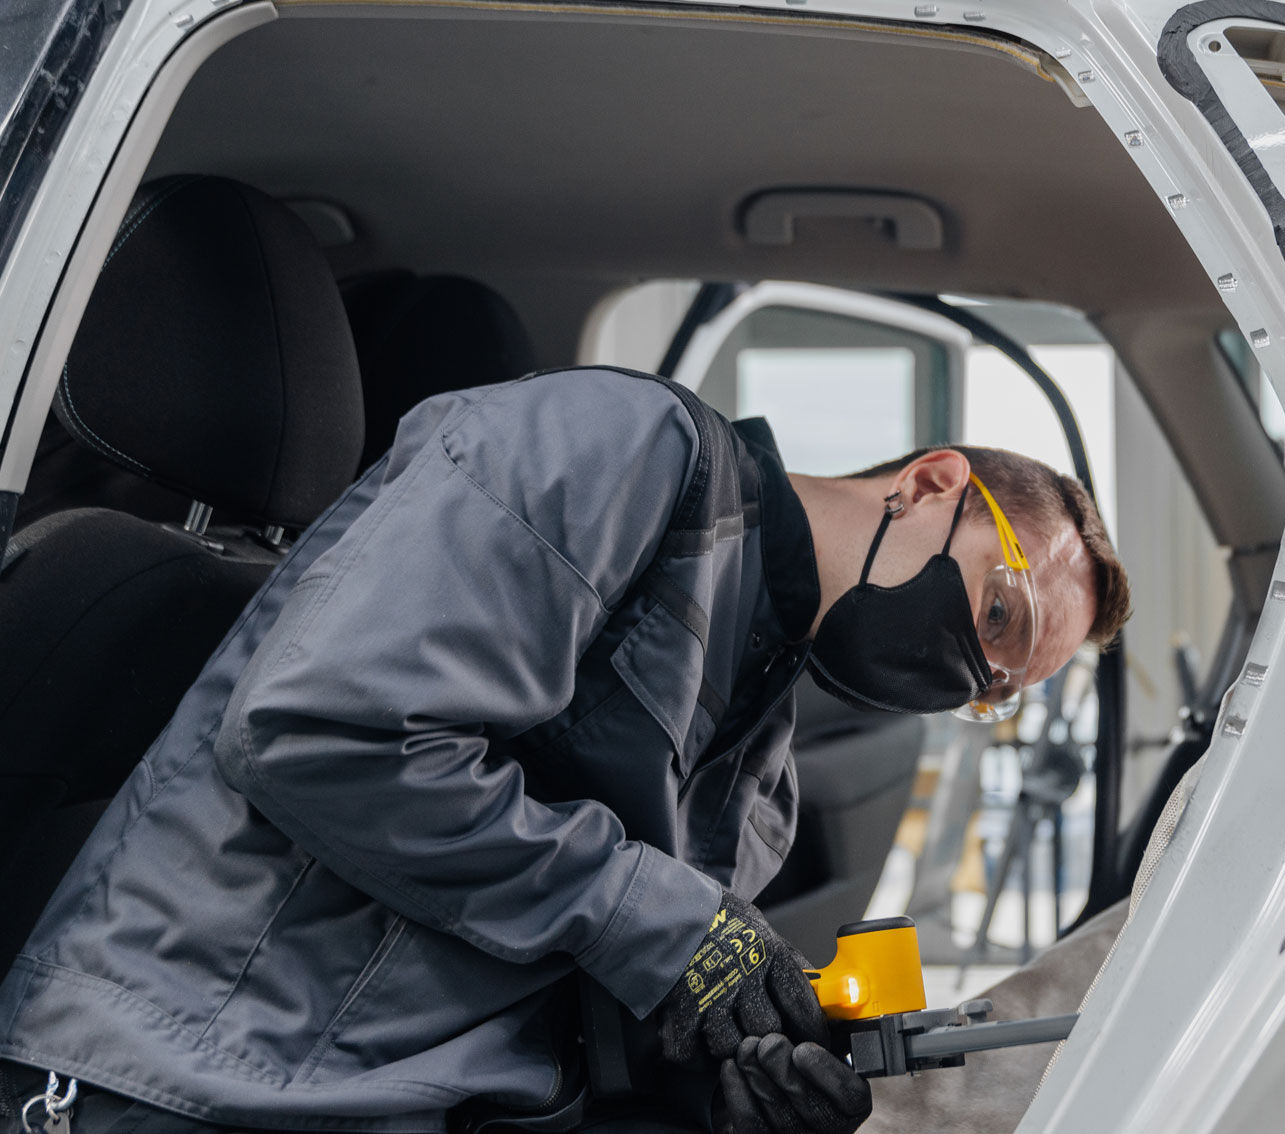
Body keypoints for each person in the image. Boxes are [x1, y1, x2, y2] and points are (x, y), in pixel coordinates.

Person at [0, 367, 1131, 1134]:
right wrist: (661, 920)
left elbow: (575, 959)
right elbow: (323, 731)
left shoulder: (761, 762)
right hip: (193, 1080)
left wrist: (714, 1081)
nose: (971, 674)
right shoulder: (614, 446)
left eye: (996, 688)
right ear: (931, 481)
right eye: (1001, 616)